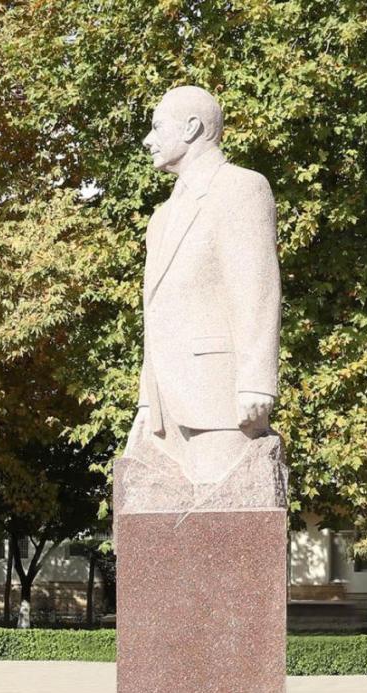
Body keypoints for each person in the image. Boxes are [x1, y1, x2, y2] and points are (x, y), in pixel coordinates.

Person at [125, 84, 281, 485]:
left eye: (158, 127)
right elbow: (158, 312)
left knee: (229, 518)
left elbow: (256, 289)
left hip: (220, 397)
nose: (148, 140)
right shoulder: (160, 218)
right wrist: (147, 401)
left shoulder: (240, 187)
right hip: (163, 405)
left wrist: (256, 381)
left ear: (192, 127)